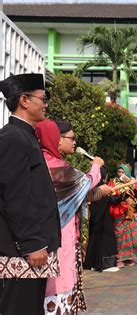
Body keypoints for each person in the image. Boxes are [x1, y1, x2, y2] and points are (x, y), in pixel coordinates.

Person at [35, 119, 112, 314]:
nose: (74, 143)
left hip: (40, 237)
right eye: (71, 138)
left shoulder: (35, 162)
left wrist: (100, 192)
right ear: (57, 140)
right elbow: (85, 183)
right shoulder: (59, 168)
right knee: (58, 283)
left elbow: (79, 193)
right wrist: (96, 166)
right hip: (59, 236)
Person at [0, 73, 61, 315]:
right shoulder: (13, 137)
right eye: (42, 99)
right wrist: (32, 243)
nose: (45, 104)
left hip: (30, 249)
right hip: (21, 252)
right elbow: (15, 196)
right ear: (24, 100)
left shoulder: (26, 136)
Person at [84, 166, 120, 273]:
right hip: (102, 222)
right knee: (106, 239)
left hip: (99, 220)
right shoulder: (98, 190)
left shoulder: (95, 189)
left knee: (95, 239)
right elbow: (104, 202)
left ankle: (92, 263)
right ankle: (105, 265)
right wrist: (111, 196)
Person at [109, 164, 137, 268]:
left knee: (131, 236)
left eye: (123, 172)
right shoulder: (113, 182)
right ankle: (118, 258)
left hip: (131, 213)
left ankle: (128, 257)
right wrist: (123, 197)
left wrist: (130, 184)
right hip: (119, 212)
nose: (121, 174)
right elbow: (111, 198)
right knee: (119, 236)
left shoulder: (132, 182)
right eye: (119, 172)